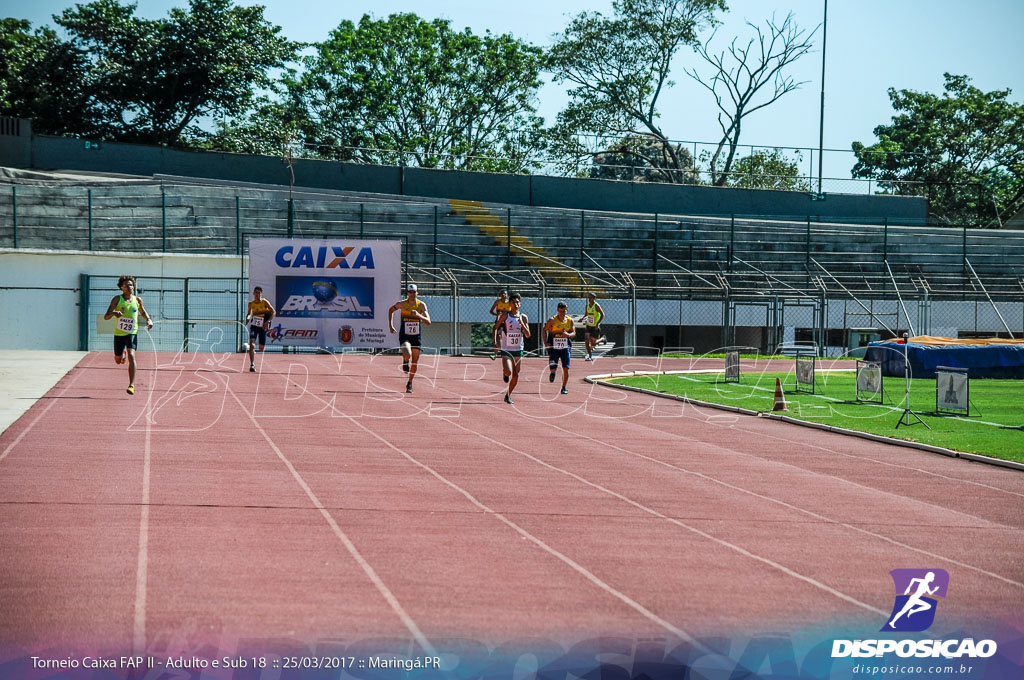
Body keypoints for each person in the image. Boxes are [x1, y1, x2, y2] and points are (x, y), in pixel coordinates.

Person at [103, 275, 154, 395]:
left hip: (132, 332)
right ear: (121, 288)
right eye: (126, 285)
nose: (129, 287)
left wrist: (148, 320)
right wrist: (114, 313)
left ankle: (131, 385)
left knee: (132, 355)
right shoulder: (117, 299)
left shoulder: (137, 300)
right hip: (119, 334)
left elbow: (142, 311)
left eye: (131, 285)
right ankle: (122, 355)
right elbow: (106, 316)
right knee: (117, 360)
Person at [388, 284, 431, 393]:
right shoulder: (402, 304)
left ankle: (410, 383)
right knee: (408, 354)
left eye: (414, 292)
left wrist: (418, 315)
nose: (412, 294)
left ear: (417, 293)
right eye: (410, 292)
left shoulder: (421, 305)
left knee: (415, 362)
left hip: (416, 336)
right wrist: (391, 325)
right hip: (405, 335)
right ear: (407, 293)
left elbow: (428, 322)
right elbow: (390, 310)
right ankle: (405, 360)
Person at [493, 293, 530, 404]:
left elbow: (528, 335)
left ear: (521, 303)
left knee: (516, 374)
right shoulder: (505, 316)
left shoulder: (523, 317)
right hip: (506, 348)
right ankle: (505, 373)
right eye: (513, 302)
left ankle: (508, 395)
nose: (516, 304)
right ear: (510, 304)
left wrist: (523, 325)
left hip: (518, 349)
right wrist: (495, 342)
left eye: (518, 302)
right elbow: (495, 328)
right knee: (509, 372)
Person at [544, 301, 576, 395]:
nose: (562, 313)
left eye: (564, 311)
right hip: (554, 348)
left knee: (566, 368)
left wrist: (568, 335)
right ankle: (553, 373)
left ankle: (563, 387)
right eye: (560, 311)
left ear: (567, 310)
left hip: (565, 348)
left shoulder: (570, 321)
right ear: (557, 310)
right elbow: (544, 329)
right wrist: (545, 342)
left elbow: (574, 333)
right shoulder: (552, 320)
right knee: (552, 368)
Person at [244, 286, 275, 373]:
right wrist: (248, 318)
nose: (257, 294)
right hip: (254, 326)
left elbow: (273, 312)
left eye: (259, 293)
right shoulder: (251, 304)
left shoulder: (264, 302)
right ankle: (252, 364)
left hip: (262, 327)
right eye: (256, 293)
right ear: (253, 294)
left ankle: (253, 351)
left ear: (261, 294)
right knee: (252, 344)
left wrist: (267, 321)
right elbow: (249, 314)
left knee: (261, 348)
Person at [580, 292, 605, 361]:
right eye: (589, 297)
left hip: (595, 327)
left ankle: (602, 339)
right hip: (589, 326)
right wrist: (582, 318)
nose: (589, 299)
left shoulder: (596, 306)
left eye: (591, 297)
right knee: (587, 340)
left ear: (594, 298)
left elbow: (603, 315)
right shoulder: (587, 306)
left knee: (593, 343)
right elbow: (586, 315)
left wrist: (597, 324)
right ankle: (590, 355)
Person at [488, 290, 511, 359]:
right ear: (500, 295)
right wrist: (497, 314)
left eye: (505, 294)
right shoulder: (497, 302)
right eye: (502, 294)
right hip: (499, 321)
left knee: (508, 336)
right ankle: (496, 354)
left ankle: (509, 352)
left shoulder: (510, 303)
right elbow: (491, 311)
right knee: (498, 337)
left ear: (507, 295)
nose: (503, 295)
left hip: (507, 321)